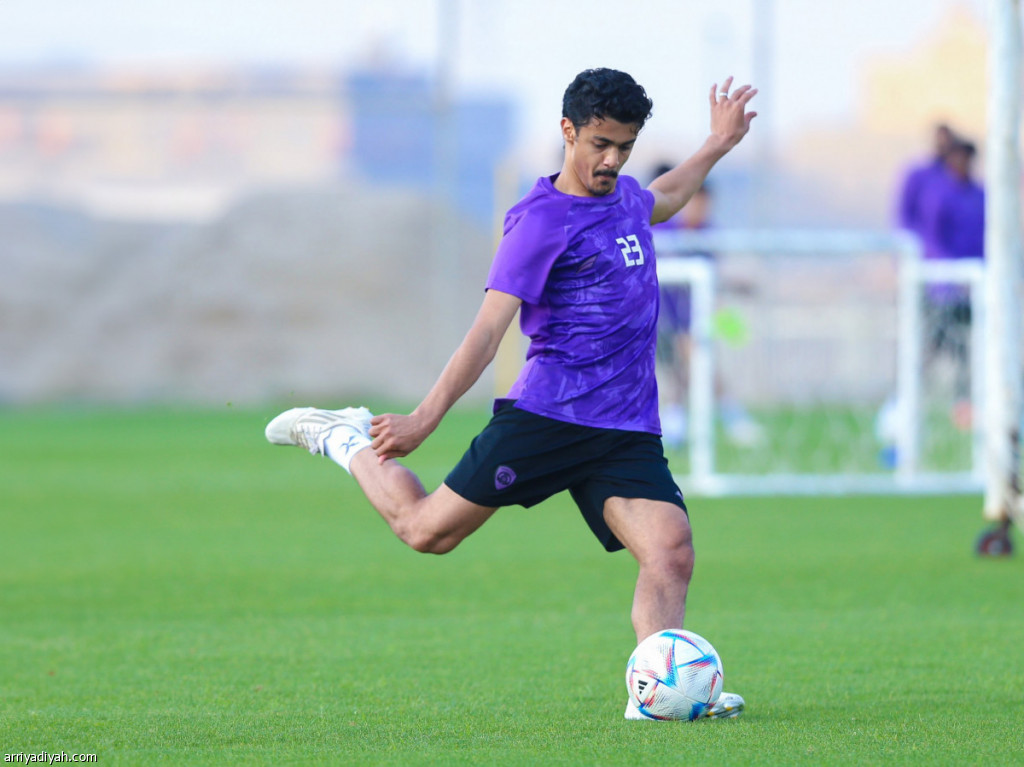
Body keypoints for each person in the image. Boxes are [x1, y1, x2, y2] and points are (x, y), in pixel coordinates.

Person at [265, 68, 757, 721]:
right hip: (549, 415)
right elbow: (486, 333)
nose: (612, 161)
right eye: (601, 144)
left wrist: (717, 143)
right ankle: (344, 438)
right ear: (568, 131)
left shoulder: (625, 199)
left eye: (624, 147)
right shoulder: (539, 222)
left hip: (626, 426)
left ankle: (658, 696)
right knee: (425, 531)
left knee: (670, 549)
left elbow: (664, 196)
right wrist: (422, 419)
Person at [651, 173, 763, 449]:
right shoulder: (665, 233)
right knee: (691, 365)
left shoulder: (708, 235)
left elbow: (712, 280)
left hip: (692, 321)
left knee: (691, 366)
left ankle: (677, 423)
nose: (699, 209)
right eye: (695, 202)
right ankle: (731, 417)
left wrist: (734, 292)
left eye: (704, 203)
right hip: (659, 318)